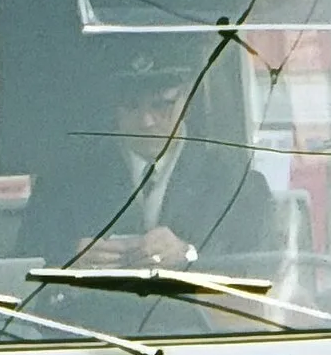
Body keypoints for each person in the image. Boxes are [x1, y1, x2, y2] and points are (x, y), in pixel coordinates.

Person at [28, 46, 283, 275]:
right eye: (131, 106)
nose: (146, 121)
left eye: (162, 105)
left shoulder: (237, 183)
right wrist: (68, 263)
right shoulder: (62, 183)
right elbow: (21, 270)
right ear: (113, 106)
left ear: (187, 100)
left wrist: (190, 255)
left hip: (199, 325)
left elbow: (265, 270)